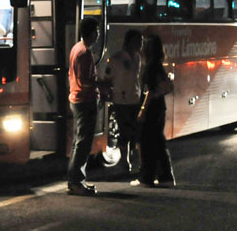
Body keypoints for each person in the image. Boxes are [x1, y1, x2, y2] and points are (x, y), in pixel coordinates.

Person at [131, 34, 176, 188]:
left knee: (148, 142)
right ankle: (165, 177)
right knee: (157, 141)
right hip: (159, 107)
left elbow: (149, 91)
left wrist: (142, 110)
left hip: (152, 108)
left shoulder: (150, 67)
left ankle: (147, 177)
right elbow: (167, 87)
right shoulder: (158, 65)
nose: (142, 47)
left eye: (144, 45)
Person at [67, 17, 102, 196]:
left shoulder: (76, 48)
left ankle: (76, 180)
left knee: (78, 142)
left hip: (77, 99)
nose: (98, 34)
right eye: (97, 30)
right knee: (83, 143)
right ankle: (76, 182)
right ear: (91, 32)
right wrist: (102, 84)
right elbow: (84, 81)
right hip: (84, 100)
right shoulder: (84, 53)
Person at [103, 29, 143, 173]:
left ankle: (133, 159)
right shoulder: (117, 58)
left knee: (135, 132)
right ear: (130, 41)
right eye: (139, 41)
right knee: (124, 131)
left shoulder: (138, 57)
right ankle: (124, 162)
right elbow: (108, 78)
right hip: (121, 100)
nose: (141, 44)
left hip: (135, 99)